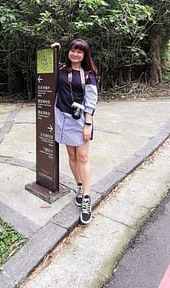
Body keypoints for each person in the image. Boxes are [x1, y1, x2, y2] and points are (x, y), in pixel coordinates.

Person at [51, 39, 99, 223]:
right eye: (73, 50)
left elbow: (91, 101)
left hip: (80, 120)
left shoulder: (88, 75)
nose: (75, 54)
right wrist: (53, 50)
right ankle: (79, 185)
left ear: (85, 55)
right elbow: (46, 69)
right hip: (62, 118)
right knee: (71, 156)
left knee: (83, 157)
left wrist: (88, 124)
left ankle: (86, 197)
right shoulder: (62, 69)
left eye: (80, 52)